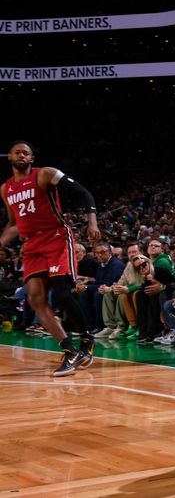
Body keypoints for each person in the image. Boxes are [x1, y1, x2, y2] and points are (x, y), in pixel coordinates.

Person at [0, 141, 101, 376]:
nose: (22, 155)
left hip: (56, 236)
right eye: (18, 152)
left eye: (27, 153)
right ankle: (69, 350)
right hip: (32, 245)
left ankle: (86, 338)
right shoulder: (6, 189)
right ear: (10, 157)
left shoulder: (45, 174)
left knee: (63, 292)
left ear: (32, 158)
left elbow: (83, 193)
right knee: (35, 299)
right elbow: (14, 224)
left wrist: (92, 221)